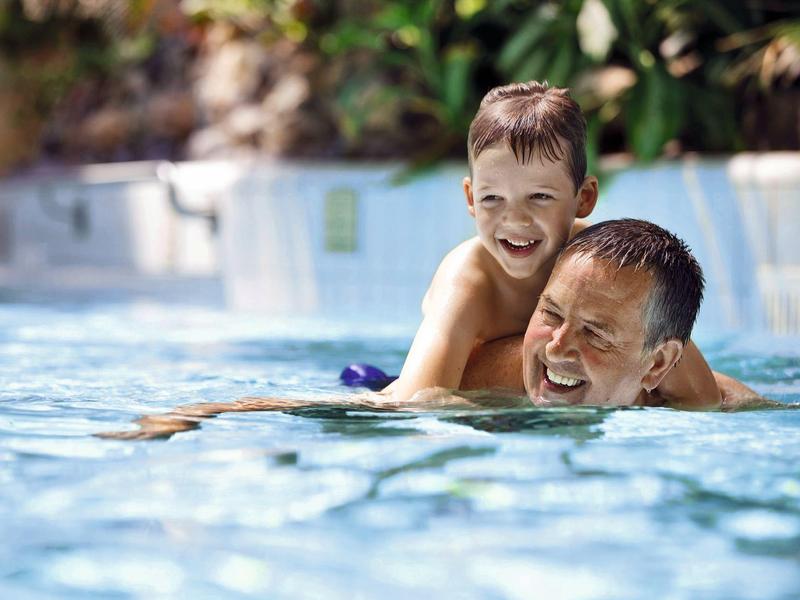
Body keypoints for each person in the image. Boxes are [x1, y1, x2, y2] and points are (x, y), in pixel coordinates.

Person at [97, 220, 778, 441]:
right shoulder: (493, 379)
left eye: (596, 333)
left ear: (658, 366)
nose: (559, 350)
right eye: (551, 315)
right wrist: (205, 412)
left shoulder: (715, 402)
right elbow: (364, 411)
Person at [385, 80, 599, 403]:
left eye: (539, 196)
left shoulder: (596, 261)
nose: (515, 219)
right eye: (492, 198)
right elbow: (418, 402)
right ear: (470, 198)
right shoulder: (469, 279)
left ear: (583, 198)